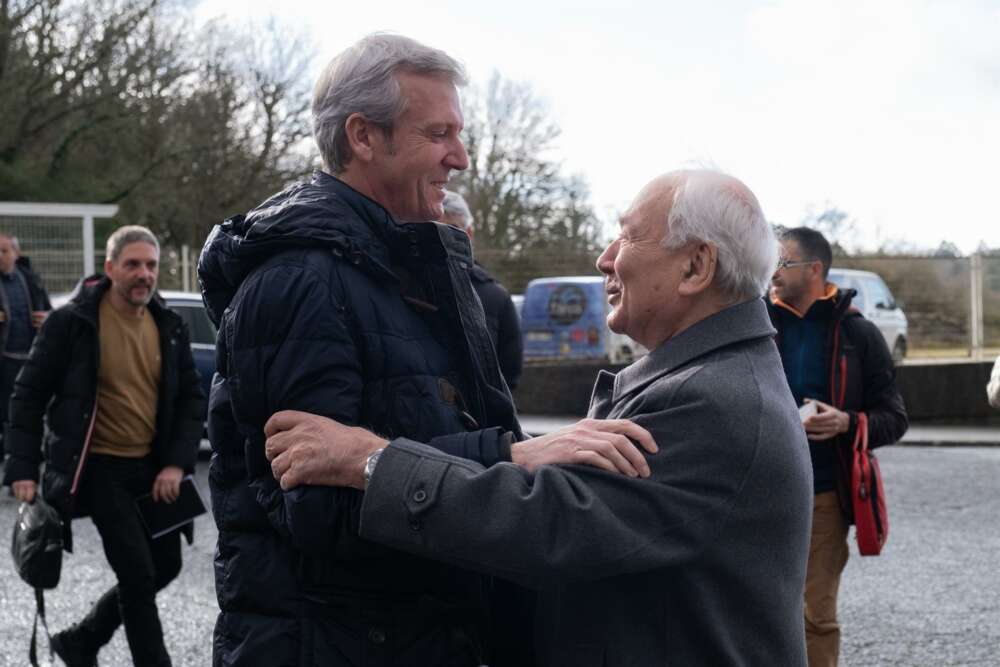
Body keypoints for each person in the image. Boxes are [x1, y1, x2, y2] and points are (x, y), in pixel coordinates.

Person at [197, 33, 654, 667]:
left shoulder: (413, 262)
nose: (460, 158)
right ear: (362, 136)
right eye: (438, 134)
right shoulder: (297, 283)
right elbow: (316, 507)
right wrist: (511, 455)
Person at [262, 169, 815, 665]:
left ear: (696, 266)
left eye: (627, 235)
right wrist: (518, 451)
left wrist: (369, 461)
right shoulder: (709, 378)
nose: (605, 257)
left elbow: (546, 527)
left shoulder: (711, 400)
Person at [4, 225, 205, 667]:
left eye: (151, 265)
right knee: (137, 576)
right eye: (133, 264)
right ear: (110, 267)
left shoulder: (168, 325)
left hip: (153, 469)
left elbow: (192, 398)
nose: (143, 274)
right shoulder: (72, 324)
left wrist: (176, 464)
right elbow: (28, 394)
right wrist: (21, 468)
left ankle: (81, 640)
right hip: (98, 468)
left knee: (166, 566)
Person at [769, 227, 908, 666]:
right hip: (755, 492)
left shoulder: (858, 334)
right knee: (755, 612)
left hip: (824, 497)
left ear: (814, 269)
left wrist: (847, 421)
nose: (772, 272)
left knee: (814, 616)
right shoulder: (757, 324)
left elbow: (895, 417)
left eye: (783, 263)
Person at [439, 190, 523, 390]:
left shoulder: (495, 297)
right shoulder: (401, 287)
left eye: (453, 229)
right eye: (435, 229)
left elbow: (510, 372)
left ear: (469, 234)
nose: (443, 238)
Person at [0, 233, 51, 454]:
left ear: (16, 253)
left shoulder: (31, 279)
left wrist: (47, 317)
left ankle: (28, 453)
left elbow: (51, 312)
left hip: (31, 358)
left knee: (29, 409)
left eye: (4, 250)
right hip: (4, 360)